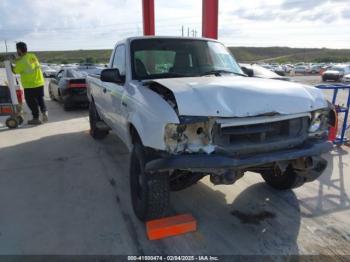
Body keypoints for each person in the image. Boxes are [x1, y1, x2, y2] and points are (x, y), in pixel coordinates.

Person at [12, 42, 48, 125]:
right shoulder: (32, 56)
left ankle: (36, 118)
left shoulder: (21, 62)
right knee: (40, 99)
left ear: (19, 50)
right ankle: (44, 112)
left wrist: (14, 62)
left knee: (31, 102)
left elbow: (14, 71)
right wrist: (19, 59)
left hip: (30, 85)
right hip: (39, 82)